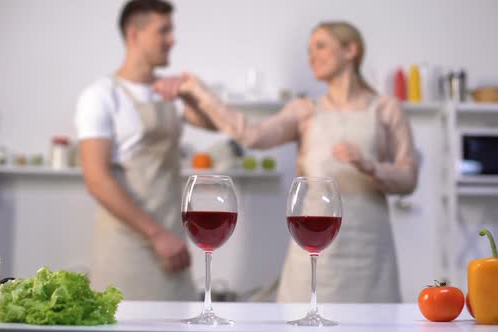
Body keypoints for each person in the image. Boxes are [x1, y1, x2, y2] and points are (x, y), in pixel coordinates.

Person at [165, 21, 418, 303]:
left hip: (371, 252)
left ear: (351, 50)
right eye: (308, 50)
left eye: (320, 46)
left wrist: (370, 165)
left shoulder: (385, 109)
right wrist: (202, 93)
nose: (312, 56)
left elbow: (408, 179)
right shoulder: (304, 111)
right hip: (312, 246)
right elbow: (251, 135)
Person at [74, 0, 215, 300]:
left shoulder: (169, 93)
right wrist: (156, 234)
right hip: (127, 247)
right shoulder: (101, 95)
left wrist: (191, 93)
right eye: (163, 31)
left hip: (172, 245)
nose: (172, 39)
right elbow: (96, 180)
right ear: (134, 34)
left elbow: (214, 123)